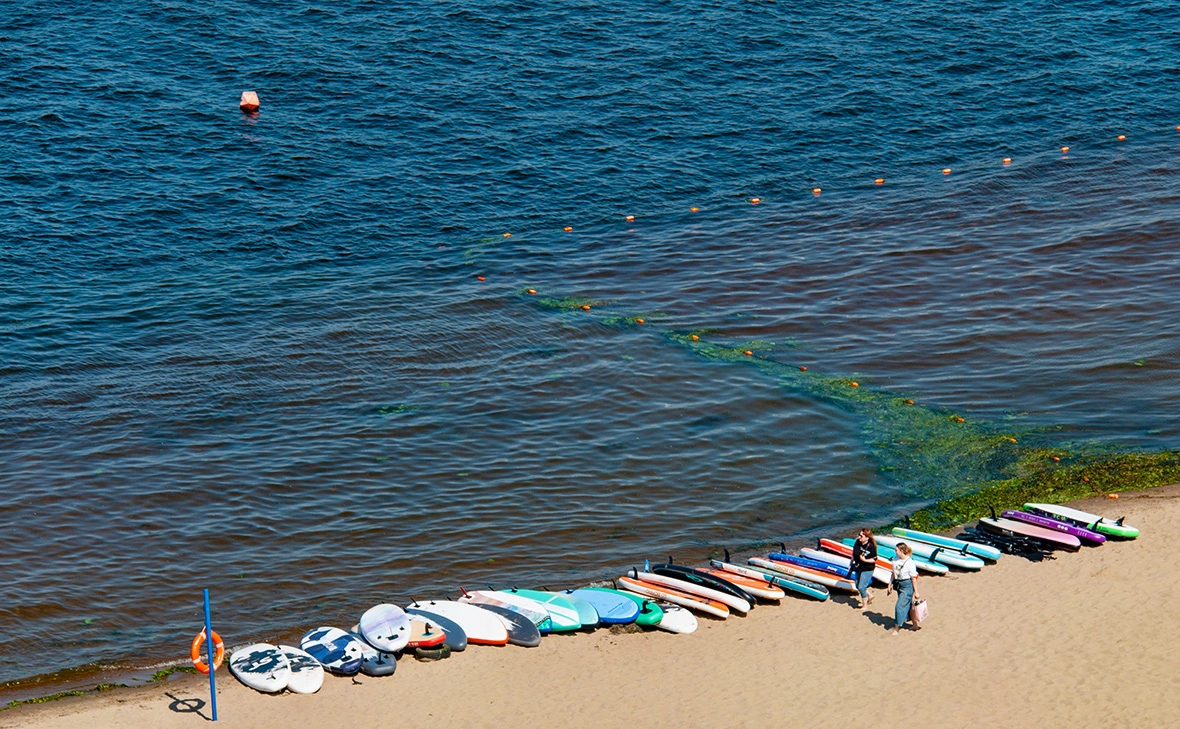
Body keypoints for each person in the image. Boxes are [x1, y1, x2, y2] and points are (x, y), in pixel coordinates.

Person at [886, 542, 920, 634]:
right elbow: (893, 573)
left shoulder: (910, 562)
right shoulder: (895, 559)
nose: (895, 552)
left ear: (901, 551)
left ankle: (897, 627)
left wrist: (916, 592)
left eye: (896, 550)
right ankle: (915, 625)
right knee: (908, 606)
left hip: (907, 585)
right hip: (898, 584)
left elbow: (913, 578)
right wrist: (890, 584)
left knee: (899, 606)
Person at [849, 528, 878, 609]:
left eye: (861, 536)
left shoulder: (871, 547)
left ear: (867, 537)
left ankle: (864, 605)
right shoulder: (857, 542)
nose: (859, 537)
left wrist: (865, 560)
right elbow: (853, 553)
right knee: (858, 585)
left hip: (867, 568)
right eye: (859, 535)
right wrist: (851, 563)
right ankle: (870, 595)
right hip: (858, 566)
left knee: (862, 587)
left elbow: (874, 559)